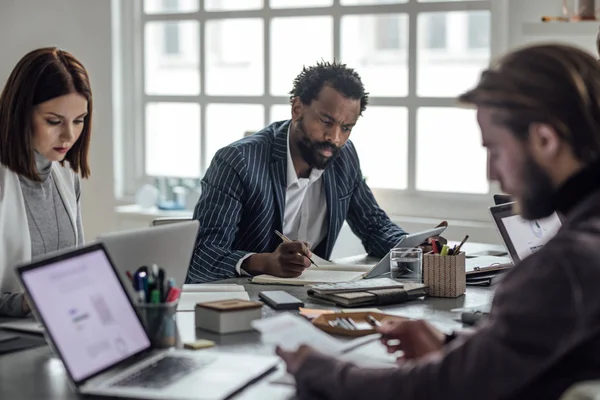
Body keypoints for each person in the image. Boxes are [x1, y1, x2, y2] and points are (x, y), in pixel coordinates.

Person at [276, 43, 600, 399]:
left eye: (494, 149)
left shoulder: (565, 266)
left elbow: (436, 388)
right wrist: (450, 345)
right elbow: (543, 353)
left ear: (544, 139)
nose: (493, 172)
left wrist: (322, 370)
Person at [187, 61, 443, 283]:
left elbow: (374, 226)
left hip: (313, 300)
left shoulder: (343, 156)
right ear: (297, 108)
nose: (335, 137)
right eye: (326, 122)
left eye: (346, 128)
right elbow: (202, 255)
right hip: (239, 304)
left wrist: (413, 247)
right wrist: (264, 262)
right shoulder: (238, 161)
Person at [0, 48, 93, 316]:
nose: (69, 135)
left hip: (59, 331)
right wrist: (24, 303)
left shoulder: (66, 177)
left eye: (79, 121)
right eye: (54, 121)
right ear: (20, 113)